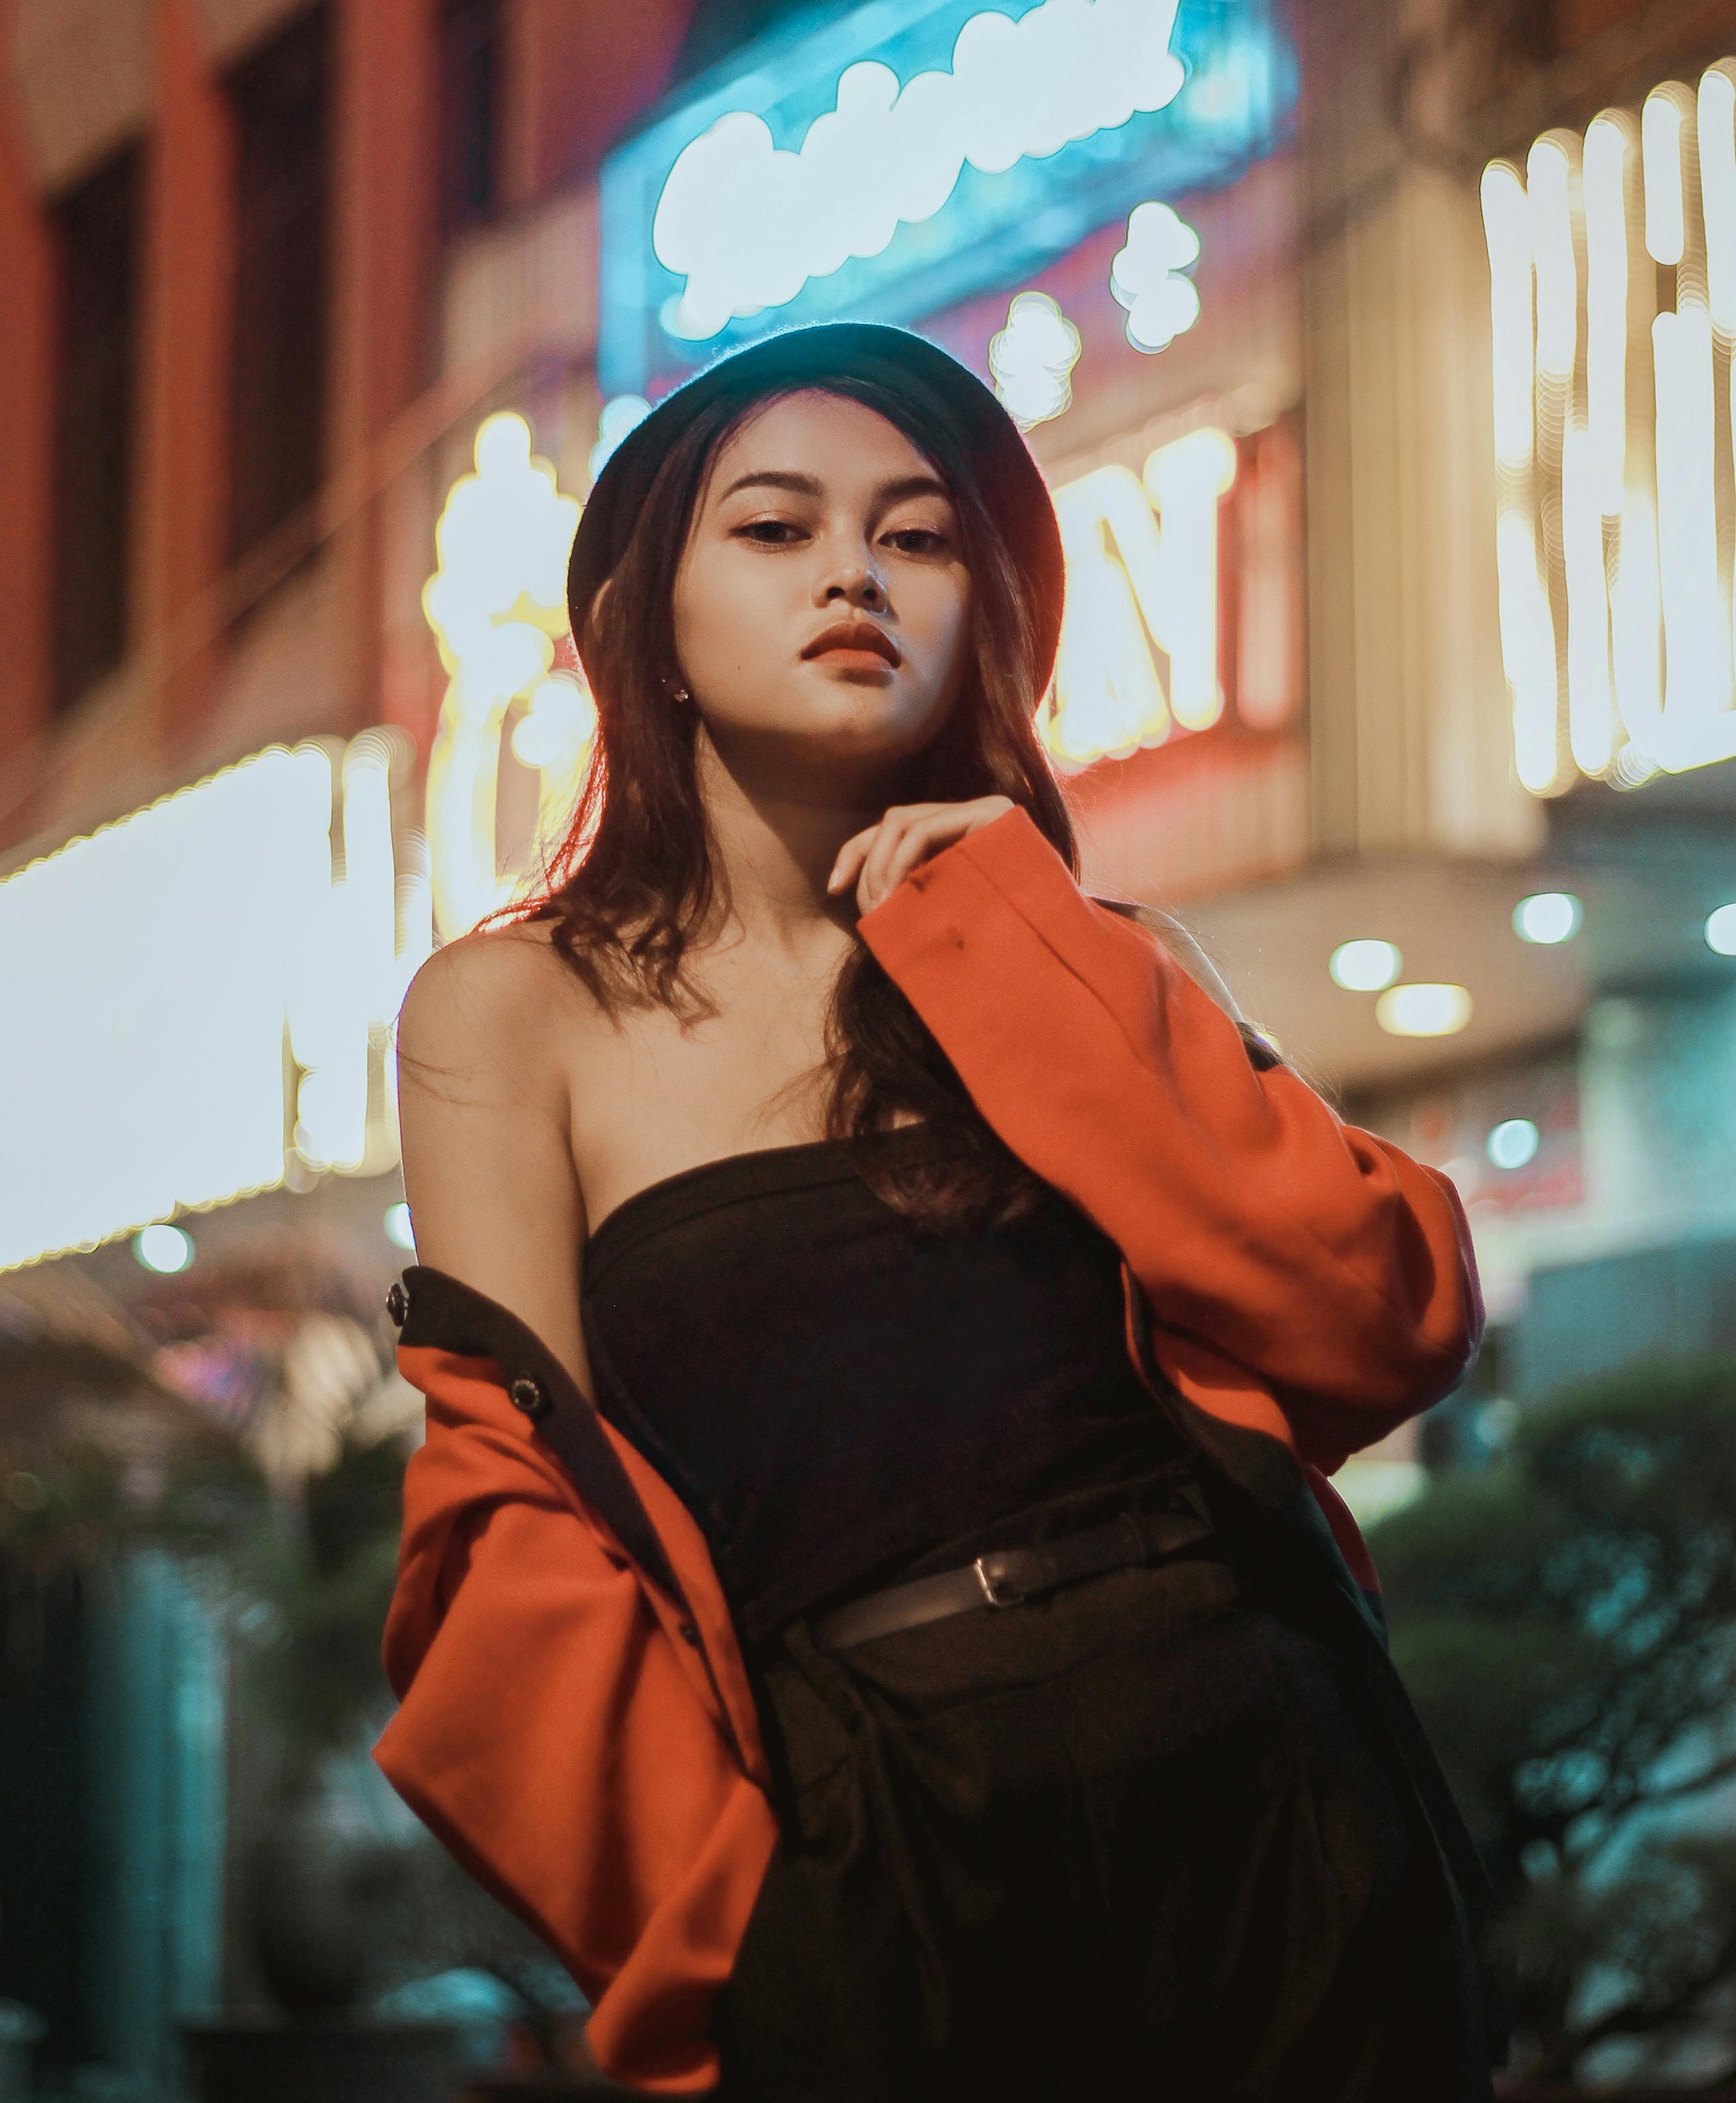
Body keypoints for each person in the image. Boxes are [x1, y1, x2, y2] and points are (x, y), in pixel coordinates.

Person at [376, 322, 1497, 2102]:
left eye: (918, 535)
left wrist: (1018, 941)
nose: (855, 572)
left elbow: (1380, 1317)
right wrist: (729, 1928)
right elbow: (508, 1517)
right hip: (874, 1835)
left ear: (985, 616)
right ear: (639, 628)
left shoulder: (1099, 959)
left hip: (1262, 1773)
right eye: (775, 527)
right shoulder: (516, 1011)